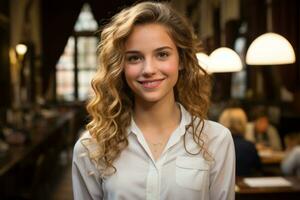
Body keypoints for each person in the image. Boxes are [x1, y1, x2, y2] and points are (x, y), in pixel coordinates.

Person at [72, 2, 235, 200]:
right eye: (134, 58)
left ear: (181, 60)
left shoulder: (216, 140)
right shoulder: (91, 147)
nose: (148, 69)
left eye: (162, 54)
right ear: (120, 66)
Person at [219, 108, 261, 176]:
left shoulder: (217, 145)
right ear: (243, 123)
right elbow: (258, 168)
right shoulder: (249, 146)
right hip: (244, 184)